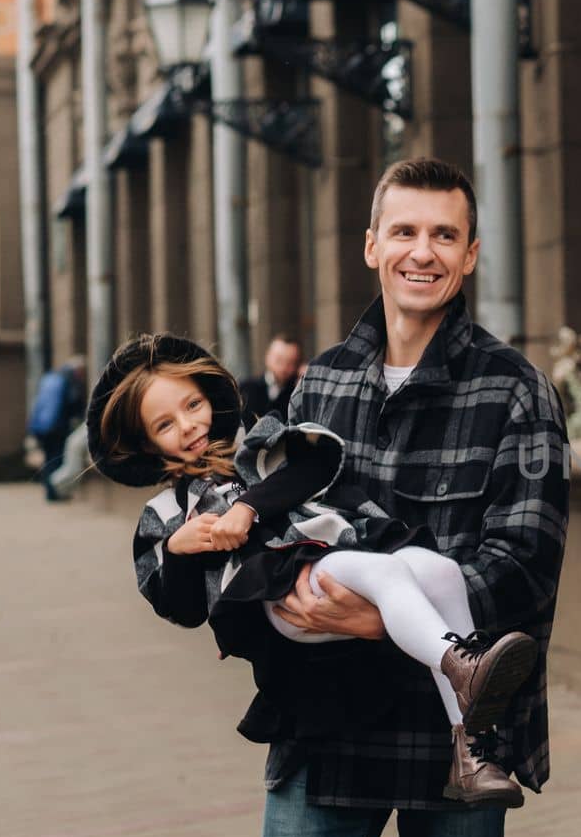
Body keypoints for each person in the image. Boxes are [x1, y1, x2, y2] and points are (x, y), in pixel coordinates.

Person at [251, 157, 569, 837]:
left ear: (469, 256)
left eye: (443, 235)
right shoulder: (317, 384)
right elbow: (273, 528)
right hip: (327, 720)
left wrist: (368, 615)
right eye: (404, 231)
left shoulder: (515, 390)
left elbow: (524, 561)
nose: (421, 252)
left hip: (457, 733)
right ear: (371, 245)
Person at [86, 331, 539, 809]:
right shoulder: (166, 512)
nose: (187, 426)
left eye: (192, 405)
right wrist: (179, 551)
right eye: (164, 425)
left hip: (341, 547)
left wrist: (249, 509)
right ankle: (460, 666)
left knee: (439, 571)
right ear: (148, 446)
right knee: (385, 576)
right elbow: (183, 610)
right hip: (284, 593)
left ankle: (471, 754)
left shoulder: (256, 443)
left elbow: (315, 464)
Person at [27, 357, 85, 501]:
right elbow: (74, 401)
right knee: (56, 459)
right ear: (77, 370)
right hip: (56, 427)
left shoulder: (50, 378)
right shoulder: (69, 379)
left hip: (41, 426)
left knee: (48, 459)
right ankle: (54, 492)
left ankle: (49, 491)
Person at [240, 334, 303, 428]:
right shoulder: (246, 388)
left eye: (291, 363)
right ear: (268, 357)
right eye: (279, 360)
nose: (284, 368)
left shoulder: (297, 394)